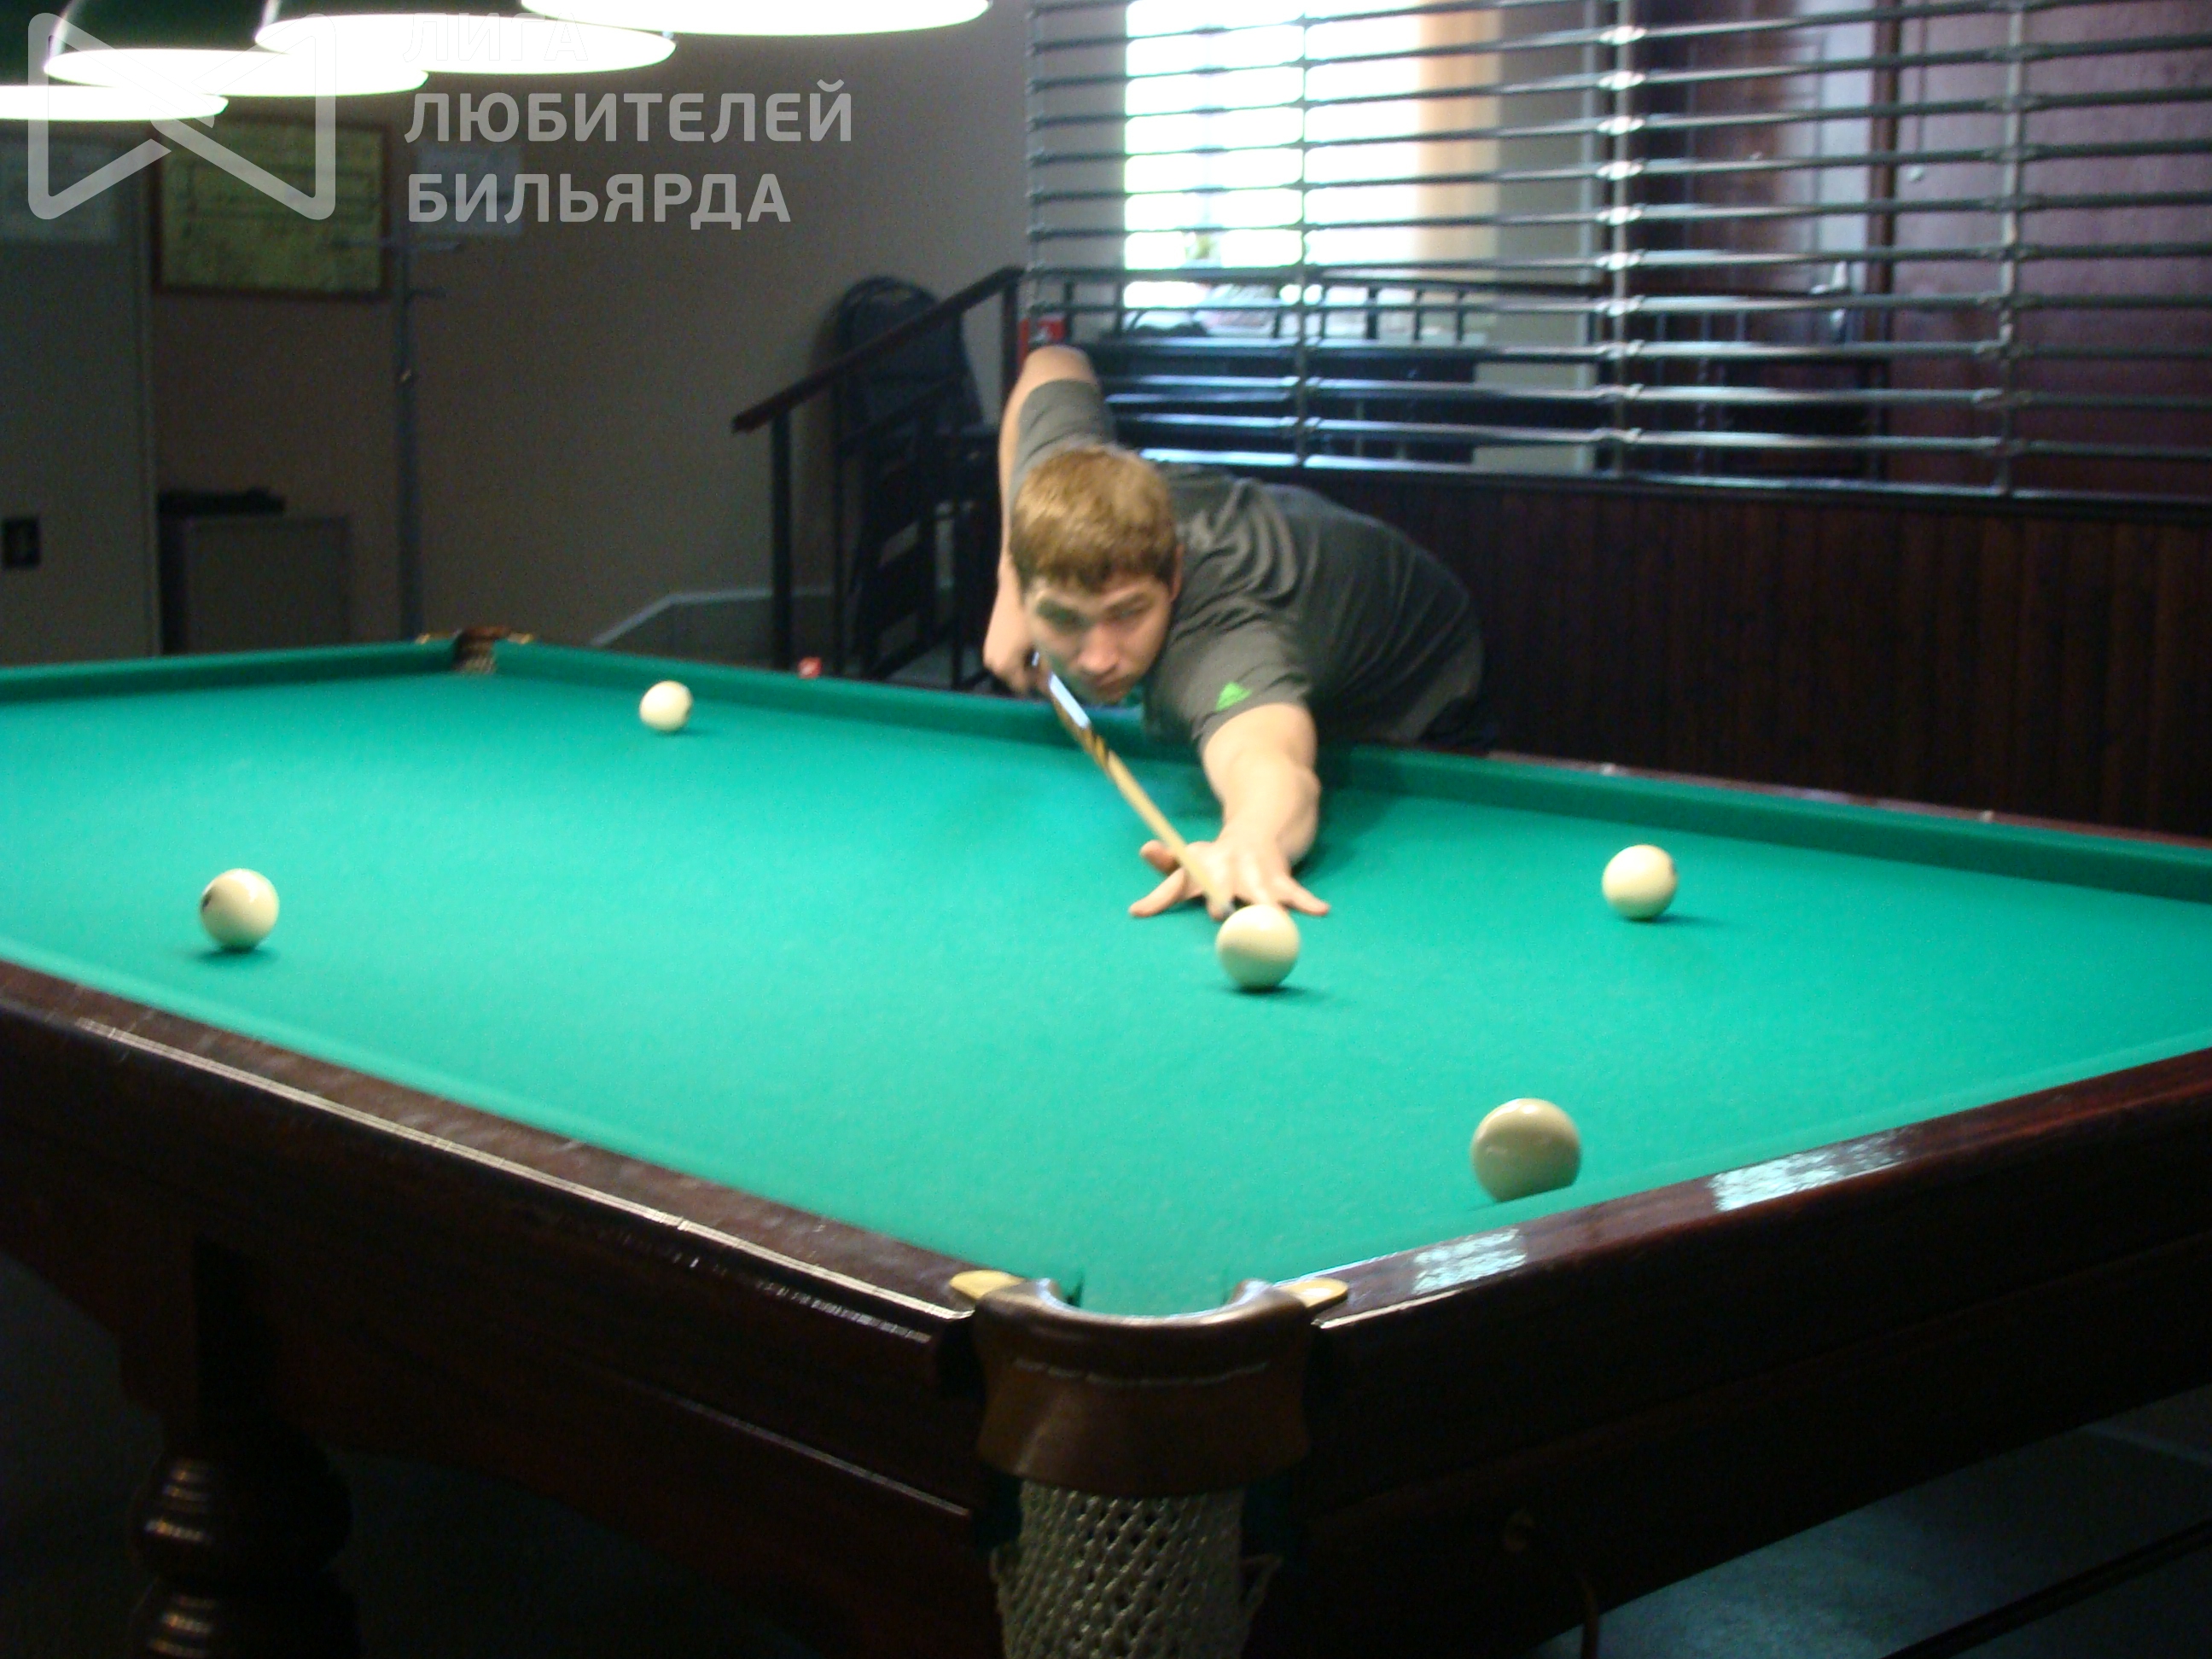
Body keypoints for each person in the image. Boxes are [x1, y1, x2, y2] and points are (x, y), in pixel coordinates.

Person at [984, 344, 1487, 922]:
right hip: (1297, 565)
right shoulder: (1056, 484)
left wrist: (1252, 838)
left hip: (1420, 670)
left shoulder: (1219, 640)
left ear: (1173, 577)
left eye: (1127, 613)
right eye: (1063, 617)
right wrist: (1008, 582)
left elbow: (1267, 759)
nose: (1098, 658)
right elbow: (1053, 362)